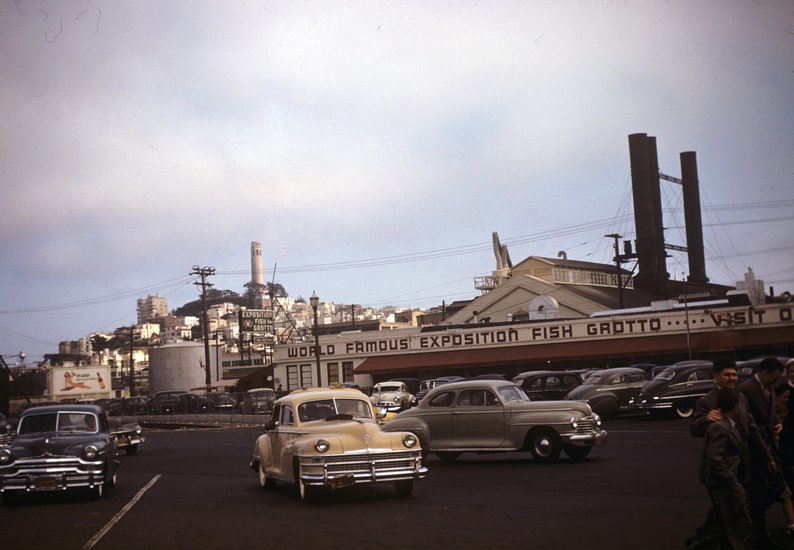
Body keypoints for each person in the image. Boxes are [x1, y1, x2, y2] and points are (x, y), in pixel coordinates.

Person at [687, 387, 753, 549]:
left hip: (726, 481)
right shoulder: (720, 427)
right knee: (738, 522)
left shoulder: (727, 424)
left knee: (718, 522)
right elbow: (715, 460)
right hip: (723, 483)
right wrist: (732, 481)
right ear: (736, 407)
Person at [739, 356, 785, 548]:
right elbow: (750, 425)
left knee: (778, 486)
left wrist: (777, 421)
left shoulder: (769, 387)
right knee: (759, 492)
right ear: (764, 372)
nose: (776, 383)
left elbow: (769, 412)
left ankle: (754, 522)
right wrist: (767, 456)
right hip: (756, 450)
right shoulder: (746, 390)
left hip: (770, 445)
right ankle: (757, 531)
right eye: (774, 378)